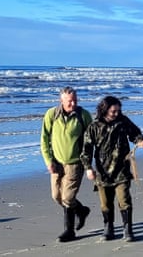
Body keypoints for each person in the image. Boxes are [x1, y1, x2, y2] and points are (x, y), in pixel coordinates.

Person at [81, 95, 143, 242]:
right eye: (113, 111)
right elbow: (86, 149)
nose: (117, 113)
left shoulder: (123, 121)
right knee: (105, 203)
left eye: (118, 110)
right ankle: (108, 228)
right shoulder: (94, 126)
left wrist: (140, 140)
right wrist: (88, 168)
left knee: (124, 200)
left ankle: (128, 230)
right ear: (104, 110)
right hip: (102, 172)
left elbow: (135, 133)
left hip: (122, 169)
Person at [40, 86, 93, 242]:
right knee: (56, 196)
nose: (73, 103)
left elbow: (91, 140)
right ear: (61, 100)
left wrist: (88, 163)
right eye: (70, 101)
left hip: (75, 163)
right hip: (56, 163)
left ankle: (69, 231)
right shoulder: (51, 114)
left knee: (68, 198)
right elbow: (44, 139)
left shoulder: (83, 115)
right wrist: (48, 161)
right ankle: (82, 211)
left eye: (75, 100)